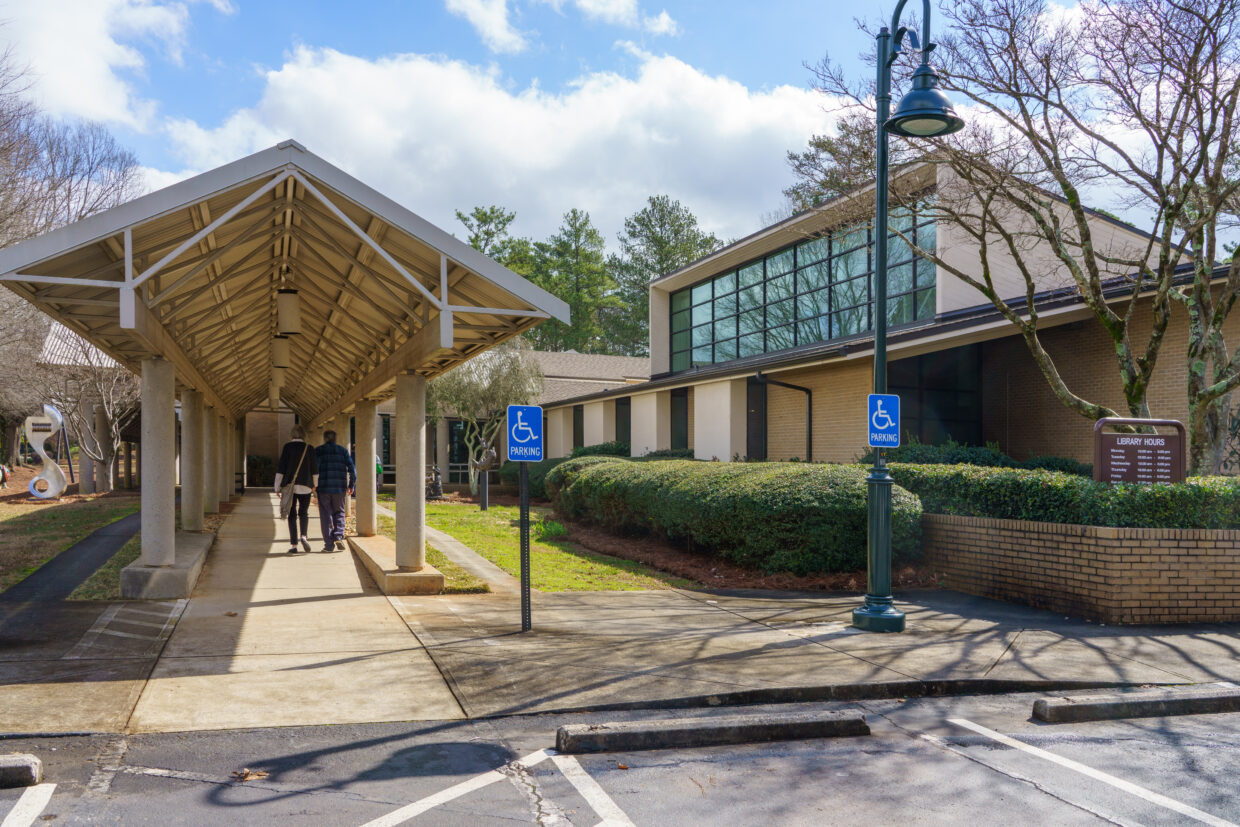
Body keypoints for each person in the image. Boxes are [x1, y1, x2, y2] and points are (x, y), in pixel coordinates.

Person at [274, 425, 318, 554]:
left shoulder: (287, 447)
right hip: (306, 486)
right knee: (303, 512)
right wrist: (315, 484)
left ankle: (294, 545)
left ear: (291, 435)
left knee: (291, 514)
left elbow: (281, 468)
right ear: (304, 435)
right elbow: (315, 469)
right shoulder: (309, 448)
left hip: (289, 487)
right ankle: (304, 536)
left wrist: (277, 487)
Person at [314, 429, 356, 552]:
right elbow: (352, 469)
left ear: (325, 439)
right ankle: (338, 535)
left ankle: (328, 545)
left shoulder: (319, 451)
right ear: (335, 439)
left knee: (325, 515)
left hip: (324, 488)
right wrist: (351, 485)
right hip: (340, 488)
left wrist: (313, 485)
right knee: (339, 512)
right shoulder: (343, 451)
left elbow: (314, 469)